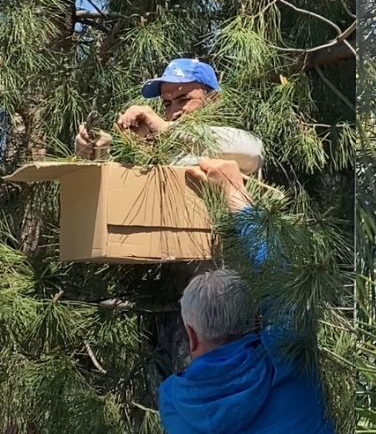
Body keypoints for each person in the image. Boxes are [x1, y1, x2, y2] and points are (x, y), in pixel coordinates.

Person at [158, 158, 335, 434]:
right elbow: (283, 279)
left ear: (191, 336)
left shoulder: (176, 406)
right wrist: (234, 193)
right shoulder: (288, 358)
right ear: (256, 319)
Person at [75, 58, 263, 174]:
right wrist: (98, 152)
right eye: (167, 103)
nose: (173, 112)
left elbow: (253, 151)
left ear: (214, 100)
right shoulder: (164, 151)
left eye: (183, 100)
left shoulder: (232, 142)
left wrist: (166, 130)